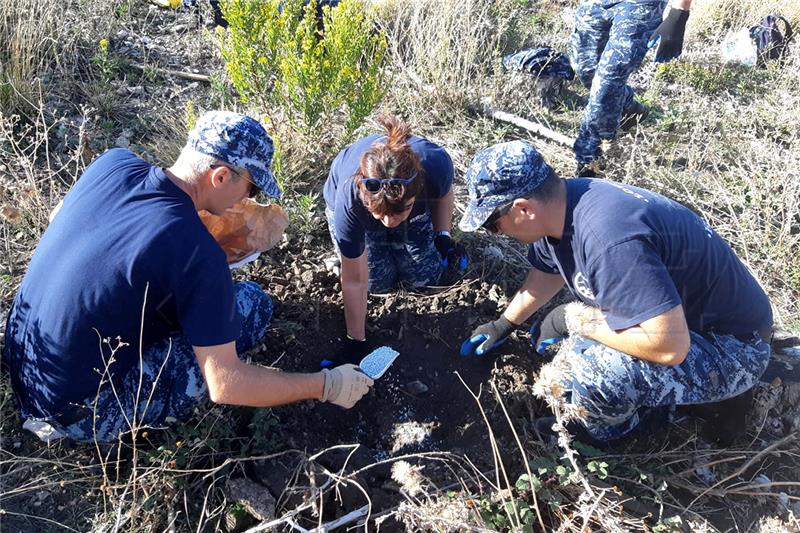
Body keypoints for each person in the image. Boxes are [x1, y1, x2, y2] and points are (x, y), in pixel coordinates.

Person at [2, 111, 373, 444]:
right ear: (221, 175)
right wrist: (325, 385)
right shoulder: (197, 253)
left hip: (24, 357)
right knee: (252, 305)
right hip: (79, 411)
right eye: (251, 187)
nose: (249, 198)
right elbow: (226, 384)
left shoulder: (113, 164)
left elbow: (58, 219)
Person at [458, 141, 773, 442]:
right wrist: (505, 324)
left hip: (731, 348)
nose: (496, 232)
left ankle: (619, 428)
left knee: (591, 373)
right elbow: (547, 270)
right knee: (577, 349)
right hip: (688, 323)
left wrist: (574, 318)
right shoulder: (559, 206)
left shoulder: (609, 241)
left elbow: (669, 347)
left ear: (523, 209)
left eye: (493, 223)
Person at [322, 116, 466, 366]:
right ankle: (351, 247)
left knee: (426, 278)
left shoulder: (434, 165)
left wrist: (443, 236)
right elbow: (355, 281)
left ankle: (401, 222)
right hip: (360, 217)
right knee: (377, 283)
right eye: (381, 215)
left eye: (399, 212)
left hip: (415, 213)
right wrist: (355, 341)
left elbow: (444, 194)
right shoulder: (349, 198)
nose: (389, 222)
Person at [571, 0, 693, 176]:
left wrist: (679, 14)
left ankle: (590, 163)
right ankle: (628, 108)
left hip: (640, 5)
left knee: (607, 82)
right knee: (586, 70)